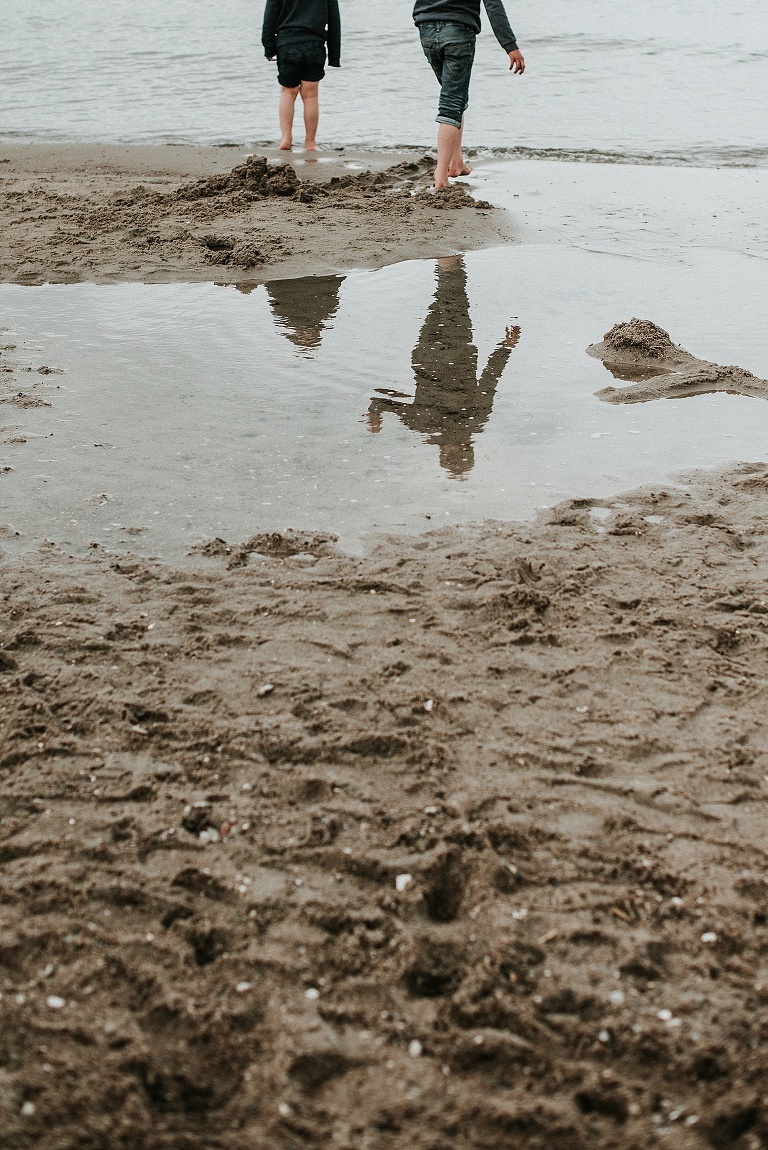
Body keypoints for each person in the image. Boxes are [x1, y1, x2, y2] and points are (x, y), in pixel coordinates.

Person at [366, 256, 520, 478]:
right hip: (424, 355)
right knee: (444, 299)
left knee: (452, 299)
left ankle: (449, 256)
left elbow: (490, 378)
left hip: (457, 350)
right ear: (441, 452)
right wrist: (374, 416)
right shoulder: (422, 426)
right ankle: (449, 258)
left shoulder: (475, 420)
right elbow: (380, 402)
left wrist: (505, 348)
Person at [413, 0, 525, 188]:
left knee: (455, 96)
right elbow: (493, 5)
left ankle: (456, 163)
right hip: (458, 30)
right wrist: (510, 46)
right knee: (452, 102)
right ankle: (441, 176)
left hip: (427, 29)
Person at [262, 0, 341, 152]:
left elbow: (269, 17)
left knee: (288, 91)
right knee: (310, 94)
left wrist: (269, 48)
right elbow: (334, 20)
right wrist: (334, 56)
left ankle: (286, 139)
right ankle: (310, 143)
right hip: (314, 44)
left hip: (286, 43)